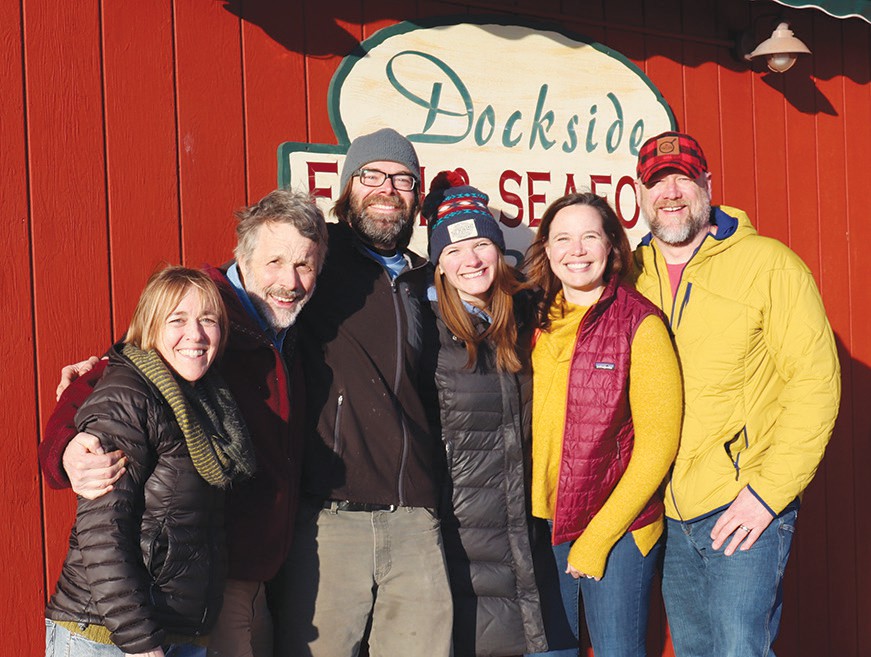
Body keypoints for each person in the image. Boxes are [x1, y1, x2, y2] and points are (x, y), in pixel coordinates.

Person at [40, 191, 328, 657]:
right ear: (243, 258)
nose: (290, 281)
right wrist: (66, 449)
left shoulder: (292, 327)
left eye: (304, 265)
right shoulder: (200, 308)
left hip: (221, 587)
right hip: (158, 606)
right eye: (275, 261)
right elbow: (105, 380)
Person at [631, 131, 841, 656]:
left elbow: (815, 384)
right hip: (666, 511)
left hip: (741, 502)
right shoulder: (630, 275)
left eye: (683, 178)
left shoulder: (769, 264)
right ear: (639, 194)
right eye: (657, 182)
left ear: (707, 183)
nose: (671, 192)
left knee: (738, 649)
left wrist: (767, 493)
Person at [270, 128, 453, 657]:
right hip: (331, 519)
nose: (386, 189)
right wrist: (107, 365)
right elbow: (209, 305)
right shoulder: (316, 258)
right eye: (372, 175)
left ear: (416, 197)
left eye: (402, 179)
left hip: (415, 519)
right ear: (348, 186)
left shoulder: (430, 280)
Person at [45, 266, 255, 657]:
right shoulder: (127, 398)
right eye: (178, 320)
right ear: (149, 326)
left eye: (208, 320)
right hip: (111, 636)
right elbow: (102, 534)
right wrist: (140, 641)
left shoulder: (206, 401)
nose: (196, 334)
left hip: (177, 632)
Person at [523, 192, 682, 657]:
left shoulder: (640, 323)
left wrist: (598, 538)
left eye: (590, 237)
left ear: (611, 245)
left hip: (617, 526)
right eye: (562, 239)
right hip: (543, 522)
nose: (576, 251)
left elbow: (657, 445)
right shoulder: (532, 319)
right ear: (546, 249)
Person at [421, 170, 547, 656]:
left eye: (480, 245)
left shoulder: (526, 315)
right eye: (453, 250)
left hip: (526, 530)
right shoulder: (426, 329)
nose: (470, 260)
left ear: (499, 249)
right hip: (461, 535)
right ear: (439, 264)